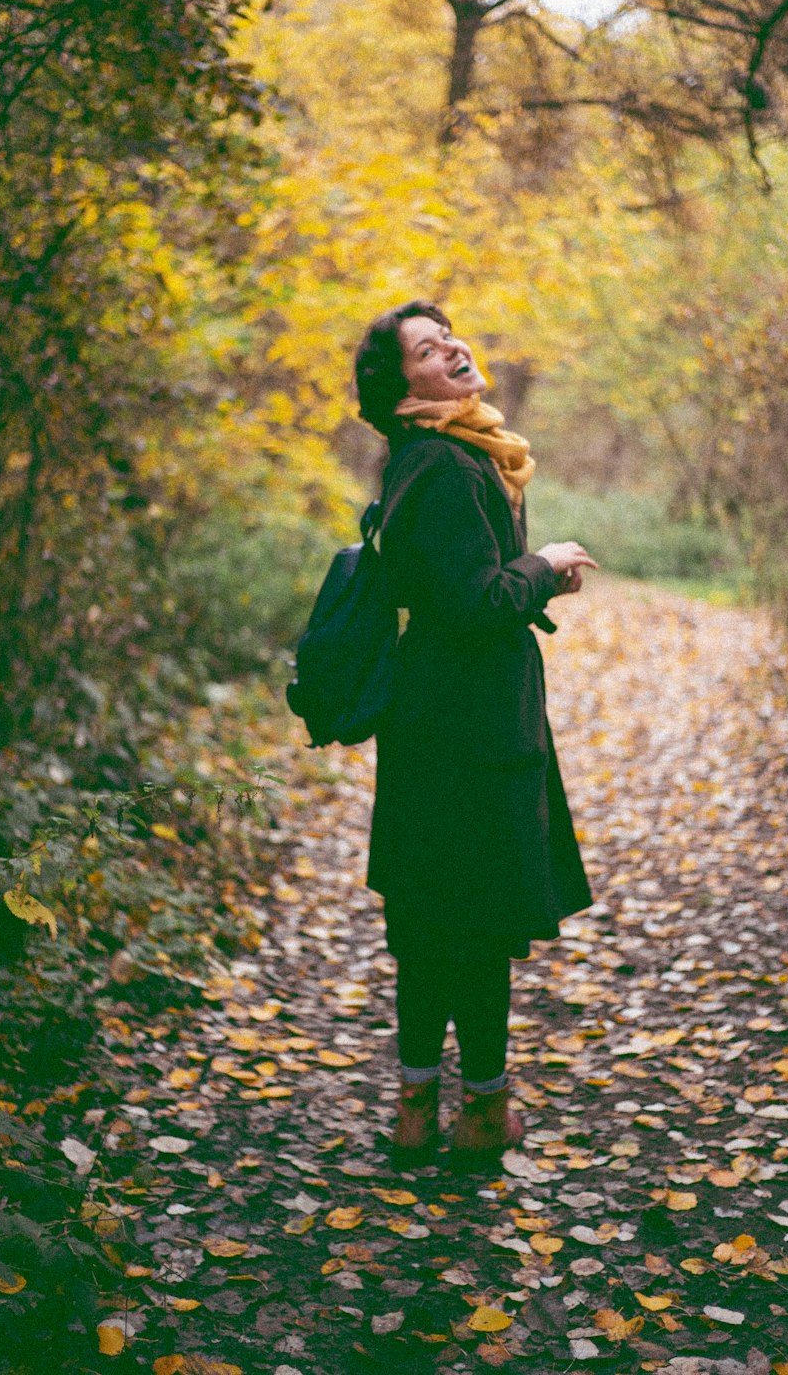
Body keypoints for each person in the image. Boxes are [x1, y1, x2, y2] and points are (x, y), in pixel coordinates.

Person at [354, 299, 596, 1165]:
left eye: (446, 336)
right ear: (400, 383)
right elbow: (474, 601)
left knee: (427, 922)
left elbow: (458, 583)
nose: (452, 347)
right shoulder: (449, 466)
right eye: (427, 348)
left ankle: (419, 1107)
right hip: (473, 729)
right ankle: (483, 1113)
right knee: (477, 924)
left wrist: (528, 581)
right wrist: (547, 562)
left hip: (435, 720)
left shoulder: (425, 460)